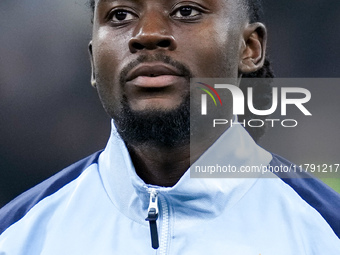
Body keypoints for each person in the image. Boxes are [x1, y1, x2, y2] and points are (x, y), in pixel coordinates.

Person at [0, 0, 339, 254]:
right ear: (92, 62)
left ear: (248, 49)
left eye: (185, 11)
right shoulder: (17, 237)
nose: (147, 35)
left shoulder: (325, 234)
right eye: (120, 15)